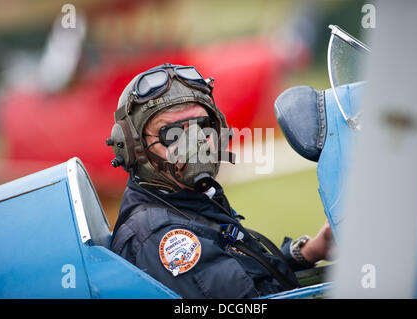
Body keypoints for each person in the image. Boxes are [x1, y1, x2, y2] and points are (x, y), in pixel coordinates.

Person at [107, 63, 333, 298]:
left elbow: (246, 276)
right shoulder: (166, 238)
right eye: (171, 133)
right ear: (134, 149)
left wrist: (307, 252)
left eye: (203, 126)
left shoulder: (185, 201)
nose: (197, 144)